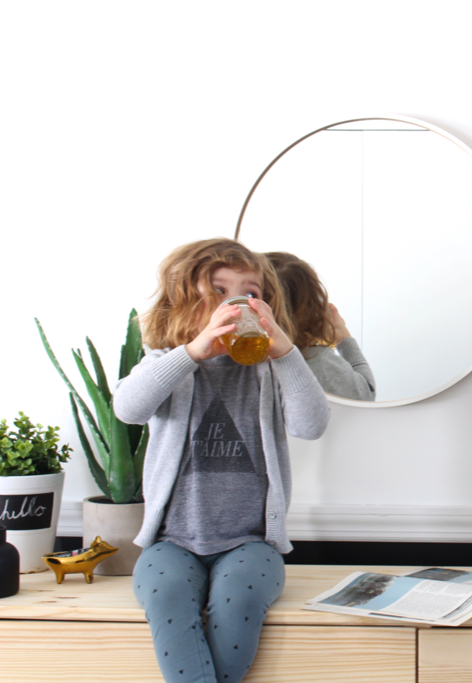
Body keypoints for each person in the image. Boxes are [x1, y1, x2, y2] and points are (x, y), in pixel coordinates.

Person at [113, 238, 330, 682]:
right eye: (219, 290)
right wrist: (193, 351)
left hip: (251, 543)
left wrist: (285, 351)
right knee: (167, 597)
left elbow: (311, 425)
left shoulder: (268, 372)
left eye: (251, 293)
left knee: (240, 602)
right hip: (171, 542)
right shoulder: (166, 364)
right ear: (183, 301)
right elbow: (129, 409)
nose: (237, 303)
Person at [265, 251, 376, 401]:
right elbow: (366, 394)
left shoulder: (247, 361)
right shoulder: (318, 362)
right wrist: (344, 339)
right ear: (314, 304)